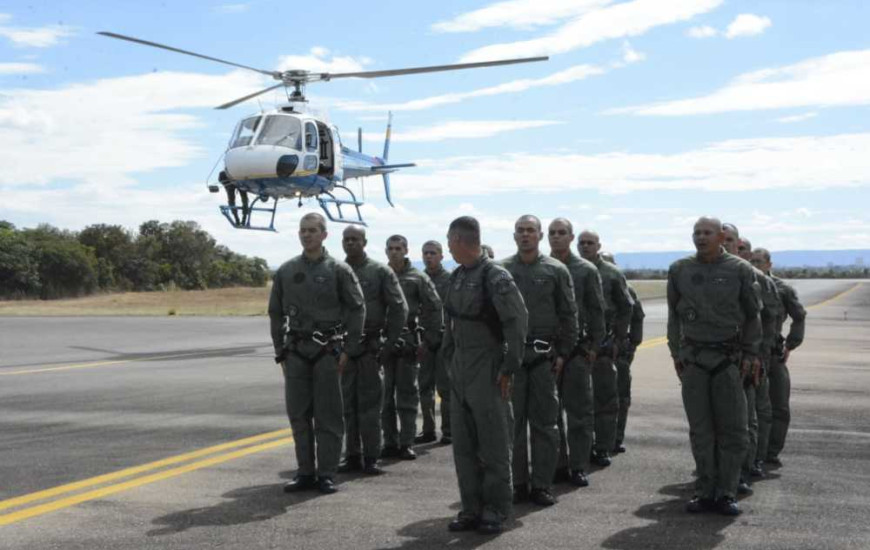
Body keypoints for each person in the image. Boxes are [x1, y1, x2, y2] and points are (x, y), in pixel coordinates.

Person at [668, 216, 760, 516]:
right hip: (694, 360)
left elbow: (752, 316)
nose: (701, 237)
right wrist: (677, 354)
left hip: (728, 361)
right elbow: (673, 317)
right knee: (701, 430)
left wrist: (749, 355)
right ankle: (705, 490)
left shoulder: (740, 270)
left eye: (707, 233)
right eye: (696, 232)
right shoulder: (680, 270)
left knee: (733, 430)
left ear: (722, 236)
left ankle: (727, 492)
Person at [442, 216, 528, 535]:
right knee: (463, 447)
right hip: (461, 369)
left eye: (450, 241)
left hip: (489, 367)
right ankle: (471, 508)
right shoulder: (457, 277)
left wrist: (509, 367)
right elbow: (449, 324)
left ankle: (495, 509)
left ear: (460, 240)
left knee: (493, 445)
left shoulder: (495, 276)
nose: (448, 246)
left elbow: (517, 323)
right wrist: (449, 363)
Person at [269, 212, 366, 494]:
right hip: (296, 352)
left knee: (328, 414)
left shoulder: (339, 270)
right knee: (298, 415)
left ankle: (326, 473)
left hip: (327, 351)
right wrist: (280, 352)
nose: (307, 235)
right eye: (303, 230)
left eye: (312, 230)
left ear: (324, 235)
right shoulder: (286, 271)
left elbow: (357, 308)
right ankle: (305, 472)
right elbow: (275, 314)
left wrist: (349, 348)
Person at [503, 215, 579, 506]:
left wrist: (563, 353)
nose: (525, 235)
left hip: (544, 359)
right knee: (513, 425)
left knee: (546, 425)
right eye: (520, 231)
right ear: (514, 236)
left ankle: (542, 485)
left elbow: (569, 314)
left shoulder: (556, 270)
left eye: (530, 231)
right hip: (512, 359)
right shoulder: (502, 270)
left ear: (539, 236)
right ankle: (519, 484)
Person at [338, 226, 408, 475]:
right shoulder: (337, 270)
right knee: (347, 406)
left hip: (370, 347)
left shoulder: (379, 271)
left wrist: (389, 344)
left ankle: (371, 456)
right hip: (345, 348)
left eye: (355, 239)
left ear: (364, 242)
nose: (350, 243)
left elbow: (399, 309)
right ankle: (352, 455)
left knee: (369, 407)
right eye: (346, 240)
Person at [548, 218, 605, 487]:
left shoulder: (586, 270)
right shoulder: (541, 267)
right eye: (552, 233)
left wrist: (594, 347)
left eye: (561, 233)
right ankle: (556, 464)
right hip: (546, 352)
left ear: (571, 237)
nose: (556, 237)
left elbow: (596, 311)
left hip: (578, 352)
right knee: (549, 415)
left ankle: (578, 465)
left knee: (579, 413)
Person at [383, 235, 442, 460]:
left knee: (407, 396)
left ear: (406, 250)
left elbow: (435, 308)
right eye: (391, 248)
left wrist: (428, 340)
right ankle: (389, 441)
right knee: (384, 397)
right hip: (383, 342)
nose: (395, 252)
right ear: (386, 251)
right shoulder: (381, 274)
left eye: (399, 248)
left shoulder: (418, 277)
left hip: (408, 342)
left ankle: (406, 441)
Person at [578, 230, 634, 467]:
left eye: (590, 243)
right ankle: (582, 448)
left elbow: (627, 308)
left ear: (598, 245)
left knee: (605, 400)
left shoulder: (612, 274)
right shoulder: (573, 270)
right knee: (579, 403)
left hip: (603, 346)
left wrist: (619, 341)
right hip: (579, 346)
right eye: (582, 243)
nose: (585, 246)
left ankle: (603, 447)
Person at [752, 247, 806, 465]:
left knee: (779, 405)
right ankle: (752, 453)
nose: (755, 265)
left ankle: (771, 451)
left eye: (759, 261)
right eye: (752, 261)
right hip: (749, 352)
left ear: (769, 264)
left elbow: (799, 315)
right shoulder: (742, 284)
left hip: (773, 353)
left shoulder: (782, 288)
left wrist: (791, 344)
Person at [737, 237, 782, 480]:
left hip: (754, 359)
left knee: (754, 414)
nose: (739, 251)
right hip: (725, 357)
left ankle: (754, 460)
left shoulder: (759, 280)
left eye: (742, 247)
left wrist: (760, 356)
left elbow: (770, 321)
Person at [600, 251, 645, 454]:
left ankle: (616, 438)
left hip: (620, 350)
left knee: (621, 396)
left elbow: (637, 317)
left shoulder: (628, 290)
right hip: (599, 348)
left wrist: (633, 344)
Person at [417, 240, 453, 444]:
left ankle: (448, 431)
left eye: (432, 253)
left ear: (441, 255)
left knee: (445, 388)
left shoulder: (449, 279)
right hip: (424, 341)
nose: (428, 256)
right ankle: (428, 429)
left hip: (444, 340)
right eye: (425, 253)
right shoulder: (418, 279)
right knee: (424, 387)